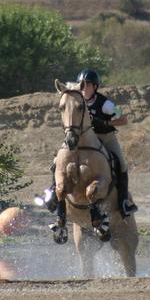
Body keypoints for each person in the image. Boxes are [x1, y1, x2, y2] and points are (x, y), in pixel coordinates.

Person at [37, 69, 138, 223]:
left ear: (95, 87)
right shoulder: (75, 100)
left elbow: (124, 120)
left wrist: (105, 122)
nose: (83, 88)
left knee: (121, 164)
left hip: (105, 137)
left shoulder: (105, 104)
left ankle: (123, 202)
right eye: (81, 85)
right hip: (82, 138)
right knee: (57, 161)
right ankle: (52, 194)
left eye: (87, 85)